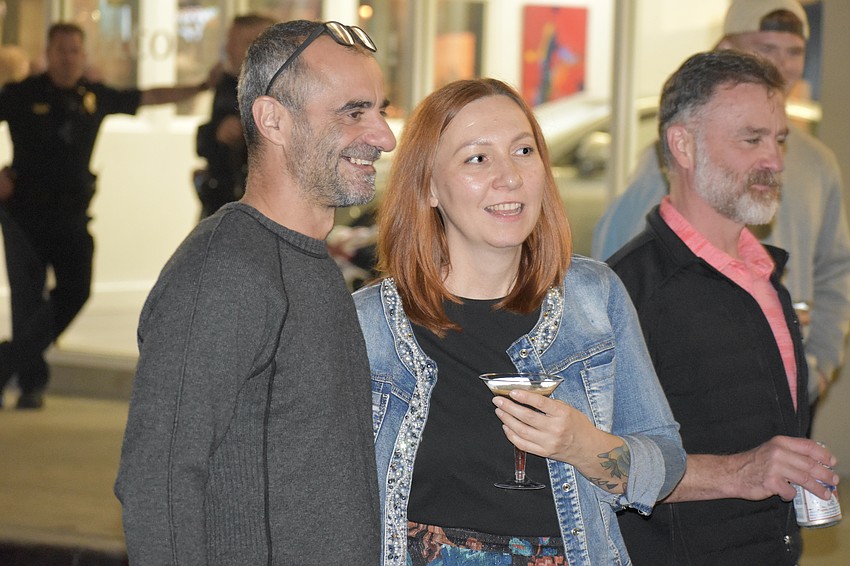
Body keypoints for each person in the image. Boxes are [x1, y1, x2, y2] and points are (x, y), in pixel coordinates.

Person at [353, 78, 685, 566]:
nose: (509, 176)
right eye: (477, 158)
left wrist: (582, 445)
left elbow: (667, 462)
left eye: (523, 150)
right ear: (427, 187)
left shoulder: (594, 297)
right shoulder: (368, 325)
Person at [114, 20, 396, 565]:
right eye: (354, 112)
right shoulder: (227, 269)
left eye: (380, 110)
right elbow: (159, 481)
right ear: (273, 120)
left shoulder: (304, 258)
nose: (382, 136)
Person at [608, 50, 840, 565]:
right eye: (751, 139)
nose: (775, 161)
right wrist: (742, 471)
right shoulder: (626, 293)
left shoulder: (768, 279)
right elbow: (599, 464)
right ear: (683, 145)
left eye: (779, 140)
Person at [592, 0, 850, 412]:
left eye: (794, 51)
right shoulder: (667, 163)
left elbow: (836, 268)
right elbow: (617, 263)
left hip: (786, 381)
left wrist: (816, 367)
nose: (782, 65)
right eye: (766, 49)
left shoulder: (818, 166)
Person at [0, 23, 213, 409]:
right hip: (23, 216)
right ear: (48, 53)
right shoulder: (20, 94)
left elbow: (148, 96)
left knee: (76, 291)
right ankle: (29, 385)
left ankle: (6, 364)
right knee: (27, 301)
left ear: (84, 56)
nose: (68, 57)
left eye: (75, 50)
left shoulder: (93, 96)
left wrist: (199, 87)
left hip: (71, 214)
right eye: (61, 49)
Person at [194, 13, 275, 219]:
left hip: (261, 208)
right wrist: (217, 132)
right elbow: (208, 142)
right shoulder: (228, 84)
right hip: (222, 201)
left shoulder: (283, 92)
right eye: (229, 42)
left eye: (239, 43)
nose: (229, 49)